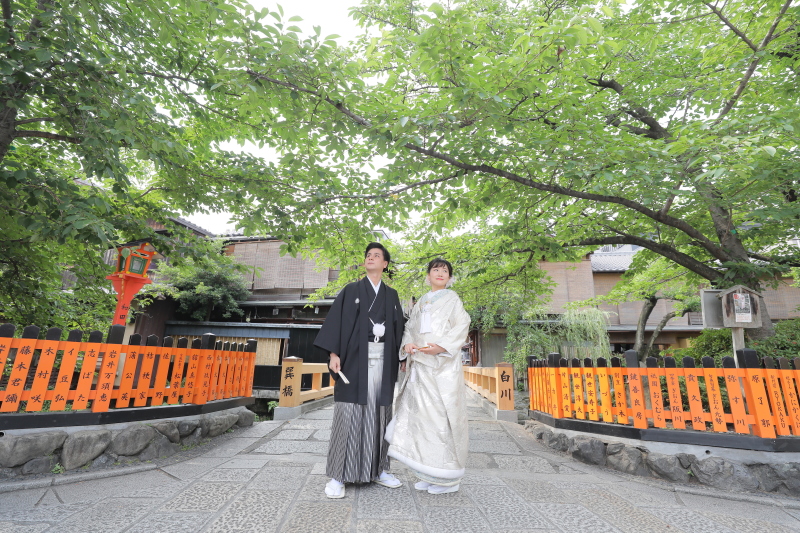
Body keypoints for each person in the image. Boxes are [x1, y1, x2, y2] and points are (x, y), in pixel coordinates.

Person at [314, 242, 406, 498]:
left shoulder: (392, 295)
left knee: (380, 415)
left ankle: (380, 470)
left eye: (377, 255)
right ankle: (338, 475)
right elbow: (336, 323)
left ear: (385, 264)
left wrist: (403, 355)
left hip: (383, 361)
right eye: (368, 255)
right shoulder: (351, 290)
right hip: (354, 361)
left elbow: (400, 328)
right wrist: (333, 353)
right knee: (349, 414)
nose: (371, 258)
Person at [386, 258, 471, 494]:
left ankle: (448, 478)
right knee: (422, 420)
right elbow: (409, 329)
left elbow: (462, 324)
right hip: (421, 366)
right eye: (436, 270)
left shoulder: (452, 299)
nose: (440, 273)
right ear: (428, 276)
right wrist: (408, 345)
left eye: (445, 270)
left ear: (450, 277)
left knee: (442, 417)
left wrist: (442, 346)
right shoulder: (422, 301)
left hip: (442, 367)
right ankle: (429, 472)